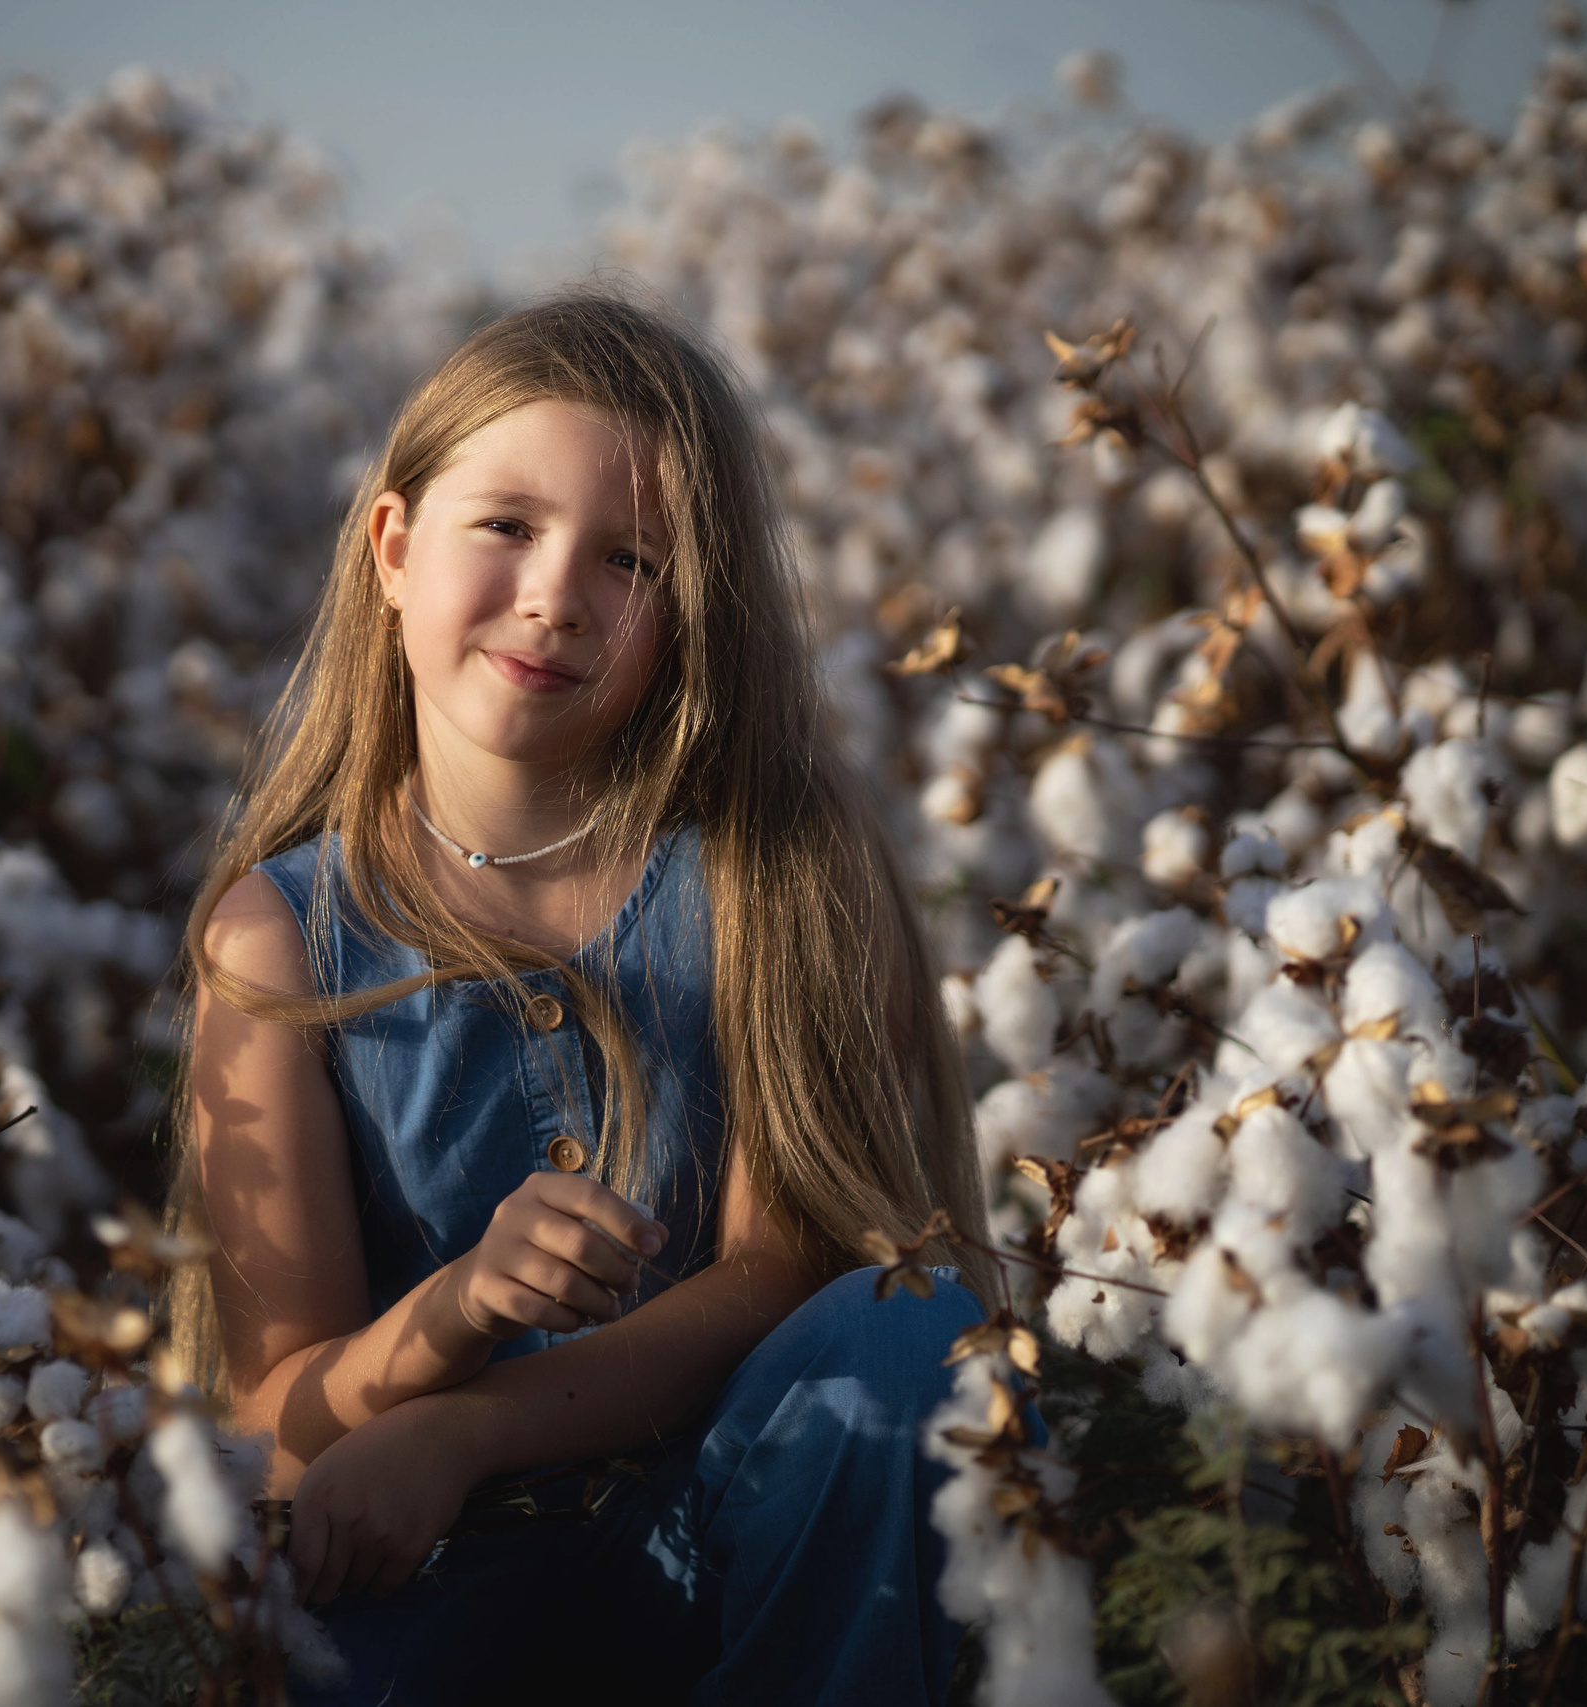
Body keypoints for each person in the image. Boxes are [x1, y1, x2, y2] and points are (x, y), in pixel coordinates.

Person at [169, 287, 1001, 1706]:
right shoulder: (277, 937)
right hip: (427, 1580)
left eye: (631, 560)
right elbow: (278, 1417)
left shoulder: (773, 872)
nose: (556, 597)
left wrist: (471, 1427)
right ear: (392, 547)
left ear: (691, 618)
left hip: (733, 1536)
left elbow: (792, 1268)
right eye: (507, 525)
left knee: (899, 1326)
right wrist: (455, 1312)